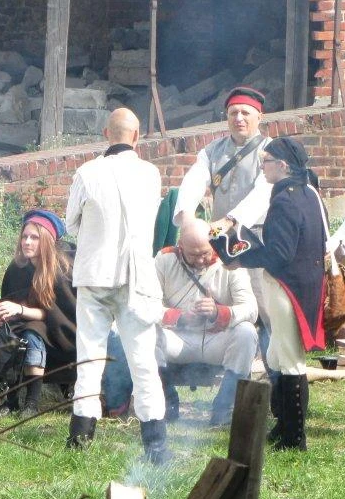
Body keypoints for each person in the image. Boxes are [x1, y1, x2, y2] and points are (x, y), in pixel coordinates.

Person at [65, 107, 168, 464]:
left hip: (96, 274)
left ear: (106, 134)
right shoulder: (151, 174)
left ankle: (81, 436)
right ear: (137, 136)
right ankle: (156, 444)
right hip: (136, 276)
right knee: (143, 362)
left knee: (89, 358)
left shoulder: (87, 172)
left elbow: (70, 223)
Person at [232, 137, 327, 451]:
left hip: (288, 286)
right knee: (276, 354)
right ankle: (283, 425)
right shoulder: (308, 193)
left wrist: (240, 258)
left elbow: (279, 254)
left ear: (283, 166)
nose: (263, 167)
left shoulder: (285, 200)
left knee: (289, 359)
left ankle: (294, 437)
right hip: (303, 283)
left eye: (267, 161)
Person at [173, 87, 274, 365]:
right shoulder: (212, 151)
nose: (239, 118)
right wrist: (187, 218)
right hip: (221, 242)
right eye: (233, 113)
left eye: (245, 113)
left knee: (263, 306)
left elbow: (263, 192)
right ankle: (234, 366)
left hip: (257, 240)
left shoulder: (269, 151)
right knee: (229, 302)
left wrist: (231, 219)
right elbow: (194, 181)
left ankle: (273, 370)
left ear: (259, 116)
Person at [154, 218, 258, 426]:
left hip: (217, 338)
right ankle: (167, 402)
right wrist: (180, 317)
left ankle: (224, 407)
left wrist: (218, 313)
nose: (201, 260)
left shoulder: (229, 262)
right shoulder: (164, 260)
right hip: (178, 337)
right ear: (181, 246)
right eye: (193, 255)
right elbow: (147, 306)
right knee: (146, 334)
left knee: (247, 333)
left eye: (205, 253)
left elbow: (250, 309)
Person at [0, 210, 75, 419]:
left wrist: (21, 310)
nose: (27, 242)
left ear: (47, 241)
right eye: (24, 236)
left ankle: (31, 403)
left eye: (34, 237)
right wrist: (1, 316)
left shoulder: (62, 269)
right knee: (16, 333)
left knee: (33, 332)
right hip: (25, 325)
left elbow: (61, 315)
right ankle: (11, 400)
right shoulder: (17, 268)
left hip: (61, 335)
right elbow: (10, 300)